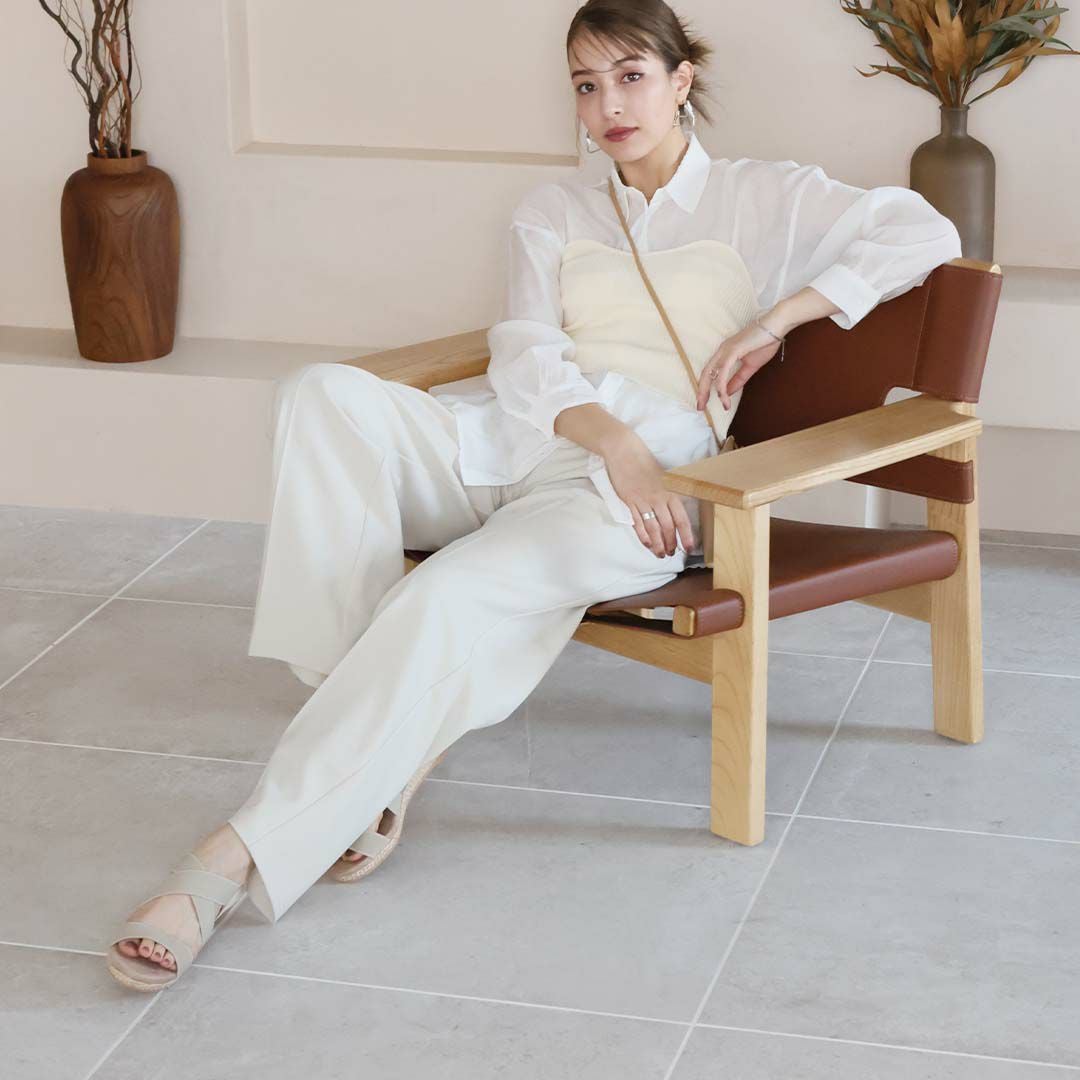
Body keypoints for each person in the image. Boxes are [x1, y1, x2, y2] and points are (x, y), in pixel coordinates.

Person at [105, 0, 963, 991]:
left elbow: (924, 229)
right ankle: (373, 749)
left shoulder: (764, 198)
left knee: (444, 594)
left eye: (632, 76)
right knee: (321, 393)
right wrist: (610, 440)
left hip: (644, 497)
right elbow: (522, 353)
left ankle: (227, 860)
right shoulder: (552, 209)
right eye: (587, 86)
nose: (610, 106)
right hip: (517, 439)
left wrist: (781, 319)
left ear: (682, 80)